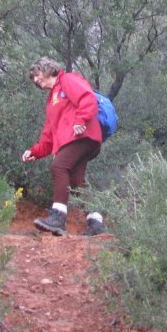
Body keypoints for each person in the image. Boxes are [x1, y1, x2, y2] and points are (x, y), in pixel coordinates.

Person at [21, 57, 107, 236]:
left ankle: (58, 218)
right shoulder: (51, 99)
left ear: (47, 69)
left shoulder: (67, 79)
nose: (35, 80)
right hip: (76, 140)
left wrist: (81, 120)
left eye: (36, 75)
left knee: (59, 166)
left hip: (83, 136)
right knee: (77, 182)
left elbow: (87, 97)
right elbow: (49, 136)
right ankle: (96, 221)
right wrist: (34, 152)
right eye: (33, 78)